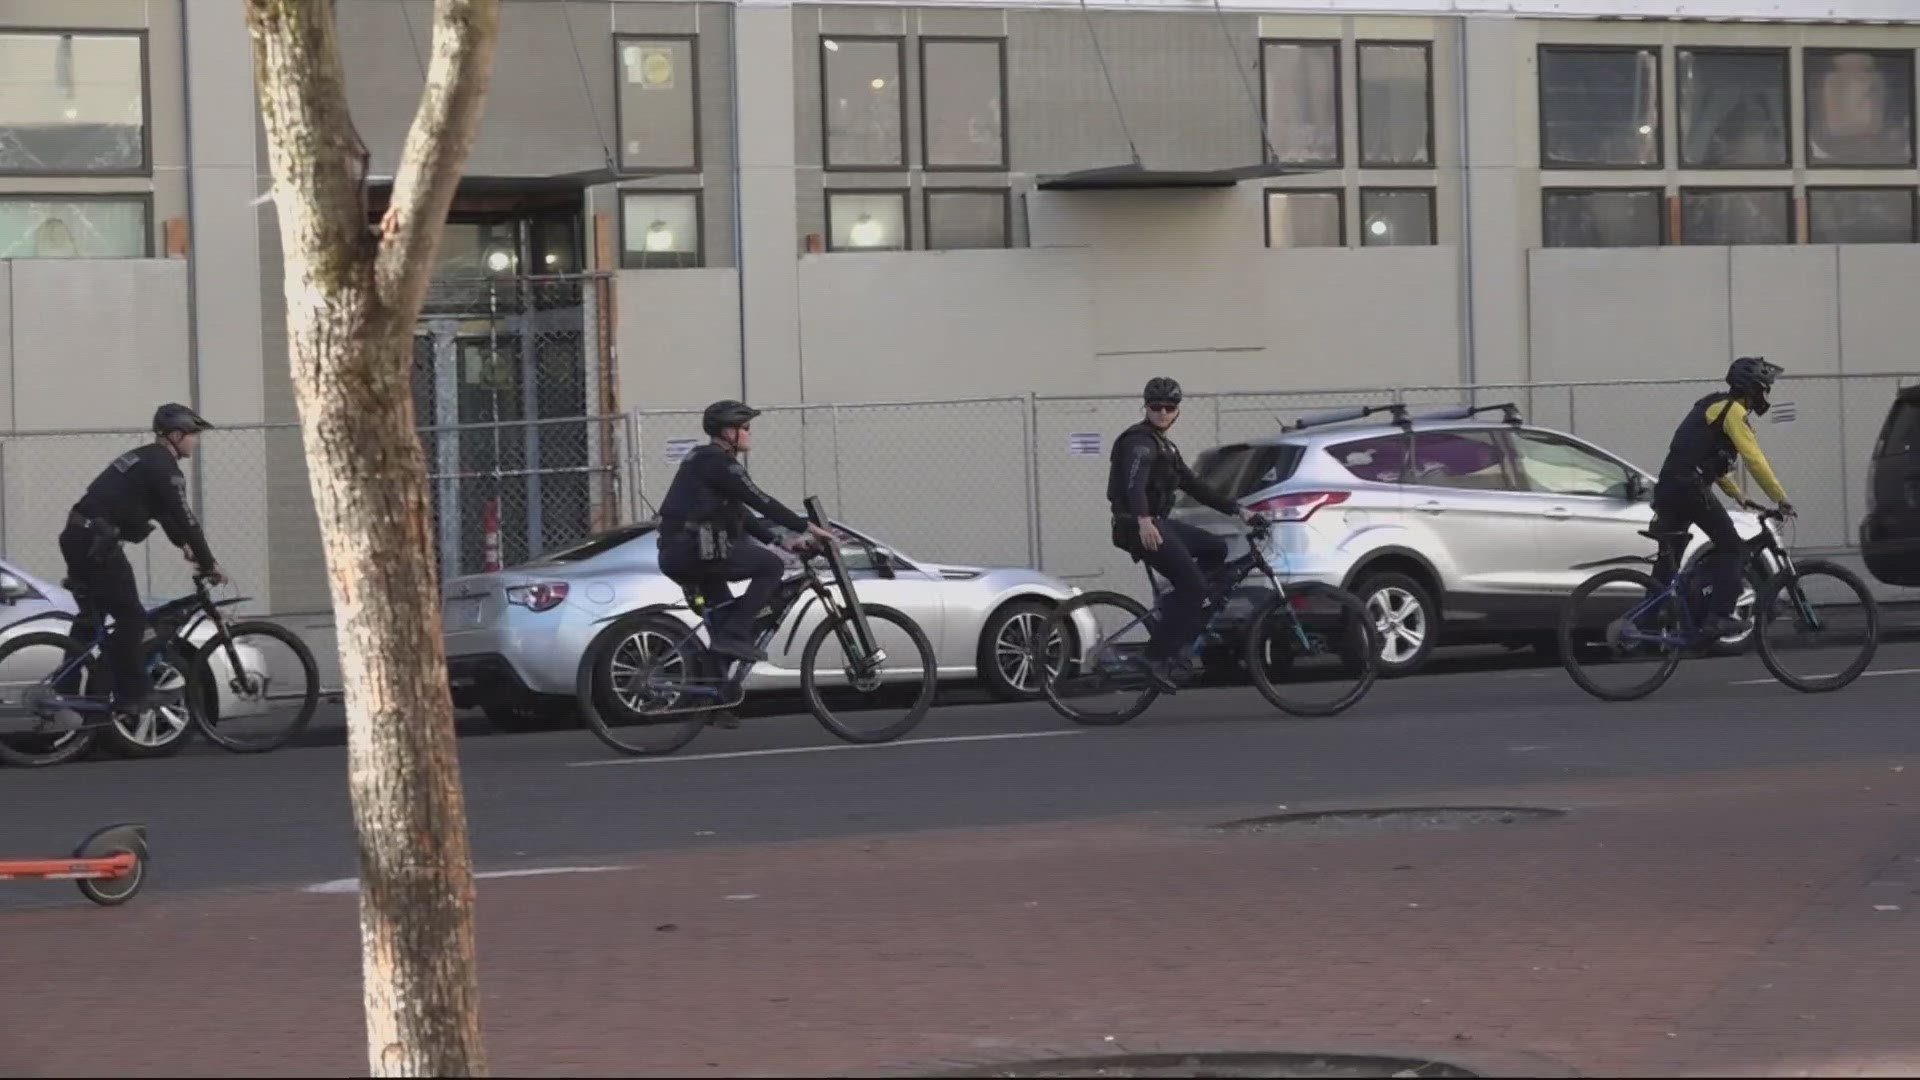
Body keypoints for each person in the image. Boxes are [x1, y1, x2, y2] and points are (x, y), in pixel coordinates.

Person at [59, 403, 225, 721]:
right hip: (96, 544)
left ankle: (65, 685)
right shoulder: (165, 469)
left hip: (78, 536)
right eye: (193, 435)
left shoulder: (147, 459)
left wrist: (184, 547)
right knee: (133, 619)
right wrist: (209, 562)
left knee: (91, 617)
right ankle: (132, 694)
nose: (196, 442)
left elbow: (164, 514)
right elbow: (185, 518)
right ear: (176, 435)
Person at [1107, 377, 1263, 690]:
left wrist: (1238, 510)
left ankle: (1180, 605)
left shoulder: (1167, 447)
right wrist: (1143, 519)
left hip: (1155, 522)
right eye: (1156, 407)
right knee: (1193, 586)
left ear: (1177, 411)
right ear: (1146, 407)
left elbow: (1195, 486)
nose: (1163, 412)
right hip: (1137, 526)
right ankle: (1153, 658)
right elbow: (1133, 484)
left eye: (1170, 407)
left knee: (1215, 550)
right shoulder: (1139, 442)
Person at [655, 400, 836, 662]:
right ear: (729, 433)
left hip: (683, 551)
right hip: (692, 551)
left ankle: (715, 681)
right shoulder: (719, 463)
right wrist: (810, 527)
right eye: (746, 427)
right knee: (771, 567)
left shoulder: (705, 459)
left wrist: (781, 540)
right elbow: (760, 500)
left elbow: (740, 512)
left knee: (725, 619)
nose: (750, 433)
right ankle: (733, 635)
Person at [1651, 356, 1795, 639]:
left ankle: (1643, 624)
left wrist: (1738, 495)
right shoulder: (1733, 412)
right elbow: (1755, 460)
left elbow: (1705, 461)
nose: (1766, 395)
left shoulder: (1715, 405)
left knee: (1669, 561)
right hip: (1689, 488)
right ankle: (1719, 616)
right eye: (1764, 388)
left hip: (1671, 486)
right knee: (1735, 549)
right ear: (1751, 388)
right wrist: (1780, 497)